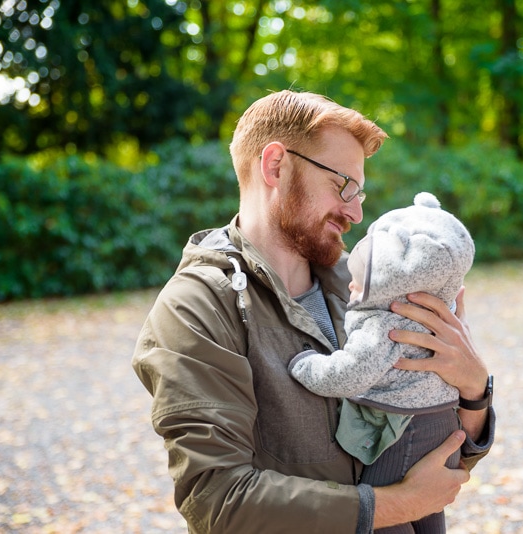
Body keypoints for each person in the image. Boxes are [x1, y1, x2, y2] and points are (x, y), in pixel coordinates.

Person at [132, 89, 495, 534]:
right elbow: (216, 501)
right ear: (276, 166)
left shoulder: (364, 284)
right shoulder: (195, 309)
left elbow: (438, 451)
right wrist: (395, 505)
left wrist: (475, 390)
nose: (357, 212)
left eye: (359, 191)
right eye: (343, 184)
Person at [288, 191, 477, 533]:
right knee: (429, 515)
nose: (351, 286)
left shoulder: (386, 322)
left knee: (386, 511)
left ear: (391, 280)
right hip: (442, 423)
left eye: (360, 280)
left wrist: (306, 365)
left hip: (404, 430)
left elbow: (349, 374)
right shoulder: (436, 307)